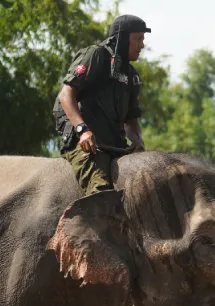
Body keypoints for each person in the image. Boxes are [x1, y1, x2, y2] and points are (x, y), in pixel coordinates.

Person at [52, 14, 150, 196]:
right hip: (86, 145)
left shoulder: (131, 75)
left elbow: (131, 120)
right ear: (121, 38)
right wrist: (82, 130)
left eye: (143, 39)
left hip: (116, 147)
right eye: (138, 39)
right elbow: (66, 95)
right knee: (102, 195)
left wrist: (138, 141)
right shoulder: (95, 55)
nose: (142, 45)